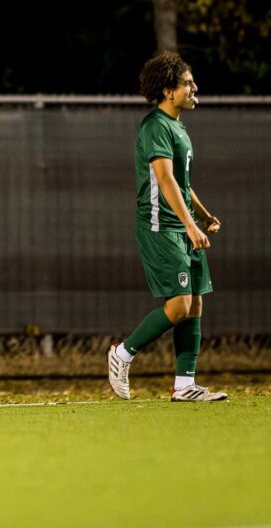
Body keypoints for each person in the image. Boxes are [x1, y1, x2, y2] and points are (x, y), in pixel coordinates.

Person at [107, 51, 226, 402]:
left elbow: (181, 183)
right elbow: (163, 178)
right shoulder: (155, 125)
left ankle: (184, 385)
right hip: (161, 226)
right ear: (168, 91)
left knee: (195, 303)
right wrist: (190, 225)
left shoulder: (177, 127)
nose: (194, 87)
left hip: (182, 226)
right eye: (187, 83)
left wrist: (203, 215)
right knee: (178, 306)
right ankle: (122, 353)